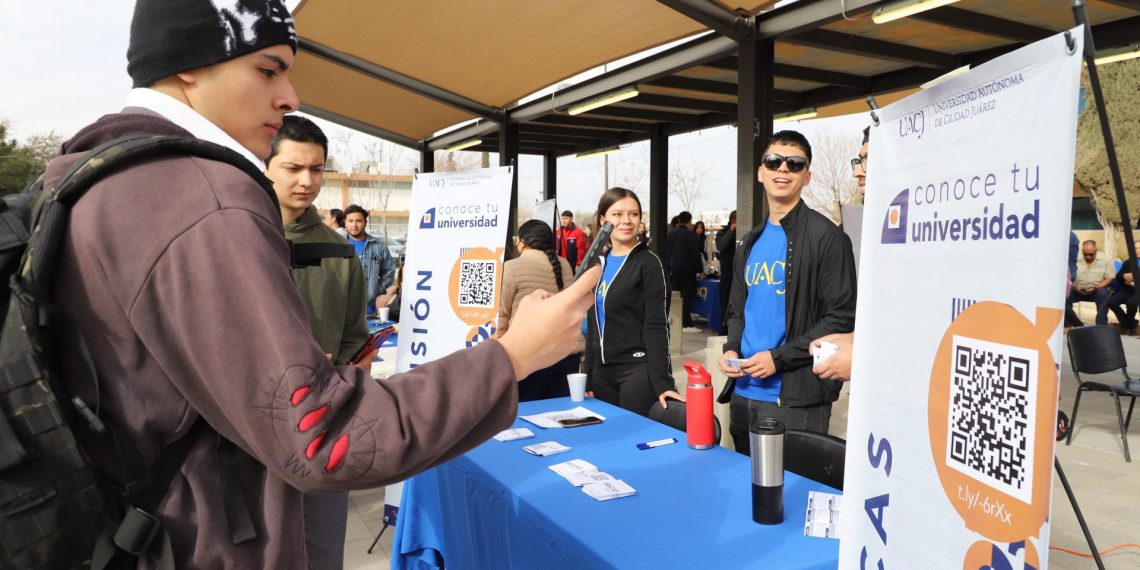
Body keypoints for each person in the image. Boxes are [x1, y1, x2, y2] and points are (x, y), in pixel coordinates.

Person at [43, 0, 602, 566]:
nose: (289, 97)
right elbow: (323, 437)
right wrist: (514, 355)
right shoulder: (204, 199)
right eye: (268, 69)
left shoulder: (86, 179)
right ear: (187, 62)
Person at [265, 115, 370, 570]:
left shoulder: (341, 252)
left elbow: (355, 339)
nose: (307, 181)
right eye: (293, 168)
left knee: (323, 550)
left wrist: (339, 374)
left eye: (316, 168)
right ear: (265, 164)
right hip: (248, 431)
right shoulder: (234, 240)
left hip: (323, 426)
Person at [718, 130, 857, 454]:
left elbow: (840, 318)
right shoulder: (749, 242)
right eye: (773, 161)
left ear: (807, 177)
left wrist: (778, 359)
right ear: (760, 172)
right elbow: (738, 310)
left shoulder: (828, 238)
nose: (783, 169)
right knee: (745, 484)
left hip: (796, 403)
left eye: (794, 164)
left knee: (791, 487)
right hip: (743, 394)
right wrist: (731, 349)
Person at [585, 187, 684, 416]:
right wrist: (588, 374)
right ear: (603, 220)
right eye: (617, 214)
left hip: (636, 372)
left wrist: (663, 381)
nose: (626, 221)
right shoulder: (598, 264)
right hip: (601, 374)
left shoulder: (649, 263)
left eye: (633, 214)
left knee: (633, 436)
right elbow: (593, 324)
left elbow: (657, 326)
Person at [496, 220, 579, 401]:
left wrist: (500, 351)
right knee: (559, 413)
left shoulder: (511, 267)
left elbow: (502, 314)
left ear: (523, 242)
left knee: (525, 412)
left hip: (529, 356)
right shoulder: (565, 265)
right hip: (564, 354)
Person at [344, 204, 396, 317]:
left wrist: (378, 290)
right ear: (345, 223)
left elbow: (389, 270)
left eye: (358, 221)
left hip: (370, 310)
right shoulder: (339, 245)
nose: (354, 225)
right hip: (343, 310)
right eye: (350, 221)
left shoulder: (378, 245)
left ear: (365, 223)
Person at [668, 211, 703, 332]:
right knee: (687, 298)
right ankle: (686, 324)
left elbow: (668, 252)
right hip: (687, 272)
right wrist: (700, 270)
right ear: (689, 221)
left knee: (676, 297)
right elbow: (695, 254)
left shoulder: (671, 234)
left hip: (674, 270)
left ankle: (675, 322)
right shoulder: (690, 235)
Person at [1066, 240, 1115, 326]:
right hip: (1077, 288)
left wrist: (1096, 287)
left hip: (1097, 289)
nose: (1088, 257)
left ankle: (1101, 325)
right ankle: (1075, 324)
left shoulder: (1106, 259)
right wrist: (1074, 286)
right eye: (1085, 254)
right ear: (1082, 251)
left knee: (1103, 294)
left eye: (1091, 254)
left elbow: (1109, 278)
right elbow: (1068, 276)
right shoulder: (1075, 258)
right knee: (1065, 296)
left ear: (1096, 250)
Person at [1108, 240, 1140, 334]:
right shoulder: (1128, 262)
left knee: (1131, 303)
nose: (1137, 251)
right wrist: (1124, 276)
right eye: (1135, 249)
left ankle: (1128, 325)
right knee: (1111, 302)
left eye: (1139, 248)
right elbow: (1118, 276)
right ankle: (1129, 323)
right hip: (1126, 289)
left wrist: (1134, 276)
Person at [717, 210, 737, 335]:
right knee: (725, 301)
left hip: (740, 272)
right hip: (727, 272)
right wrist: (731, 231)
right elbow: (721, 246)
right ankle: (724, 328)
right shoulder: (722, 232)